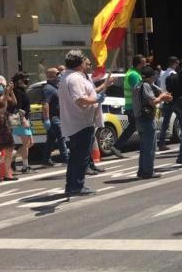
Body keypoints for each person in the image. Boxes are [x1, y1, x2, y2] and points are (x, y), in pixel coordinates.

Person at [58, 51, 103, 196]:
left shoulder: (68, 76)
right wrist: (96, 100)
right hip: (80, 123)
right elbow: (80, 100)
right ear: (80, 63)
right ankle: (77, 185)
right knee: (81, 157)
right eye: (84, 61)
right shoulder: (74, 79)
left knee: (75, 157)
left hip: (75, 122)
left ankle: (71, 185)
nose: (86, 64)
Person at [134, 66, 171, 179]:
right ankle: (148, 172)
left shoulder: (138, 85)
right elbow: (153, 101)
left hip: (139, 118)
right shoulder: (145, 86)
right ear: (151, 77)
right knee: (150, 147)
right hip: (146, 119)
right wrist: (162, 97)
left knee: (144, 147)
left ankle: (142, 171)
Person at [111, 54, 145, 158]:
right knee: (141, 126)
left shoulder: (131, 73)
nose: (145, 64)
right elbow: (138, 91)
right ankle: (145, 147)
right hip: (134, 106)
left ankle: (117, 146)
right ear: (139, 64)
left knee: (132, 127)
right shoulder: (134, 75)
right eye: (144, 62)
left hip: (130, 105)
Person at [41, 68, 66, 166]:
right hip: (53, 117)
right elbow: (45, 104)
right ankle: (65, 158)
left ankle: (46, 159)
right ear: (51, 76)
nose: (59, 75)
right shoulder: (48, 88)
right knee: (61, 137)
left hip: (57, 116)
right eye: (57, 74)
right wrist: (47, 119)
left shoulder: (55, 87)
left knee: (51, 139)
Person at [9, 72, 33, 173]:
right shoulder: (17, 91)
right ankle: (25, 166)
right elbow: (17, 107)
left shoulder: (22, 90)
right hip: (20, 119)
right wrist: (23, 119)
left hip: (24, 118)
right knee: (27, 143)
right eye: (25, 79)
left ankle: (12, 158)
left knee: (30, 143)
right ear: (19, 80)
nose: (27, 81)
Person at [157, 56, 179, 151]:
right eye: (177, 63)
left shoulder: (162, 74)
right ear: (174, 63)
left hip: (165, 99)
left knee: (165, 122)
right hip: (173, 99)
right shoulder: (173, 73)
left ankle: (161, 142)